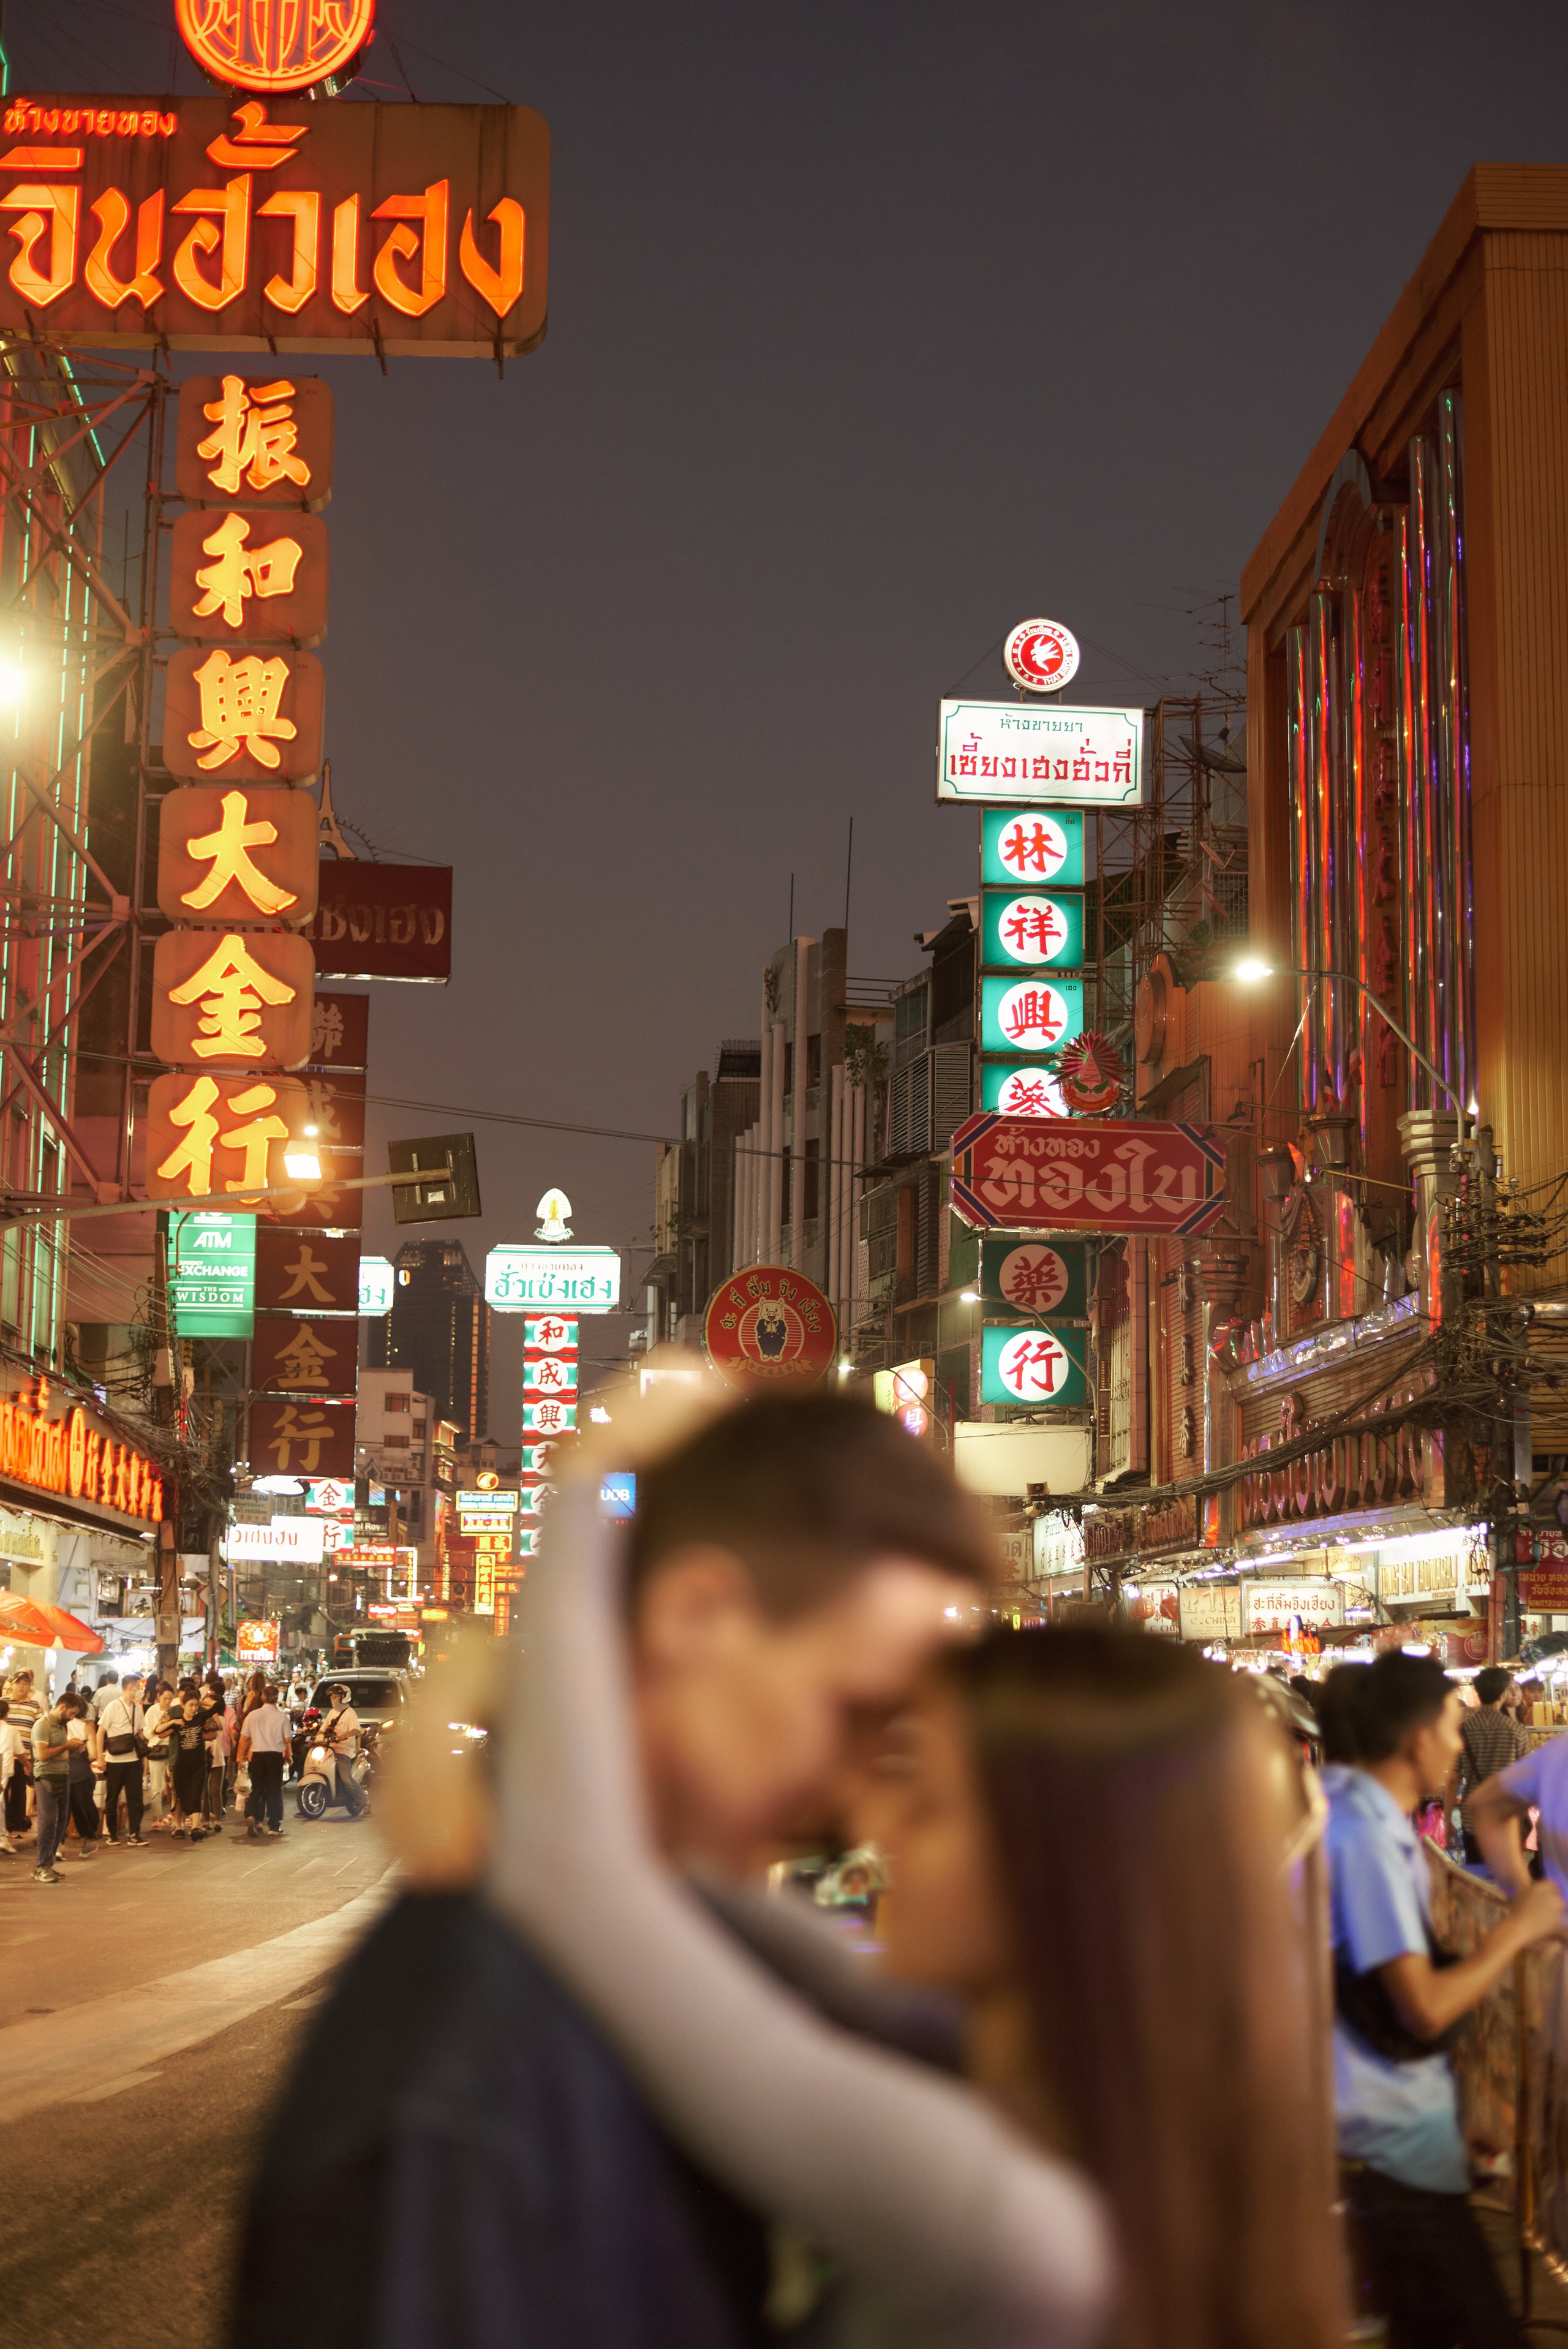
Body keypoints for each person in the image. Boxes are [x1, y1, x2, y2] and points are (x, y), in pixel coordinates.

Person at [232, 1392, 1105, 2349]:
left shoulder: (681, 1955)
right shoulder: (477, 2022)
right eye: (855, 1713)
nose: (865, 1797)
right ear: (697, 1613)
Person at [495, 1472, 1344, 2349]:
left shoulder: (988, 2207)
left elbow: (577, 1879)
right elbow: (764, 1948)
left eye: (926, 1800)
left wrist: (597, 1480)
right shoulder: (1099, 2118)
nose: (874, 1824)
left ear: (1049, 1861)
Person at [1327, 1650, 1563, 2347]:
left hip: (1405, 2146)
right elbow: (1420, 2005)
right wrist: (1515, 1929)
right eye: (1449, 1726)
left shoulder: (1363, 1823)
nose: (1459, 1744)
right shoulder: (1364, 1837)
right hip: (1391, 2148)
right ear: (1412, 1738)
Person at [30, 1687, 80, 1882]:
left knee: (61, 1824)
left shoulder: (62, 1725)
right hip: (45, 1778)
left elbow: (63, 1754)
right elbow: (42, 1755)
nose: (73, 1717)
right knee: (48, 1821)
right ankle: (41, 1865)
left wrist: (74, 1749)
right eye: (72, 1713)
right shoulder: (42, 1725)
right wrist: (67, 1745)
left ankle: (47, 1865)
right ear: (62, 1707)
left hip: (63, 1776)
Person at [96, 1672, 148, 1847]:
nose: (139, 1690)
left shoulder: (136, 1708)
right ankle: (112, 1833)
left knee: (136, 1798)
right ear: (131, 1687)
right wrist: (100, 1758)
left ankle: (134, 1832)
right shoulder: (113, 1706)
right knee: (112, 1798)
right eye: (138, 1686)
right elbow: (101, 1732)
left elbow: (140, 1733)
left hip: (133, 1760)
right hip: (114, 1760)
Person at [239, 1684, 288, 1841]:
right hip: (275, 1756)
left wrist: (241, 1758)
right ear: (277, 1698)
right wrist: (289, 1755)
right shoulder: (282, 1717)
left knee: (257, 1789)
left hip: (257, 1756)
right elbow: (287, 1740)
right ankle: (274, 1826)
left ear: (262, 1698)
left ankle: (253, 1815)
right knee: (274, 1790)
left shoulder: (252, 1716)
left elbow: (245, 1739)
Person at [166, 1693, 211, 1840]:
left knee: (197, 1794)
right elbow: (158, 1732)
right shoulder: (173, 1713)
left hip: (197, 1761)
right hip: (176, 1758)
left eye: (196, 1704)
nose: (194, 1708)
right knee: (179, 1795)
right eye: (190, 1704)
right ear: (182, 1703)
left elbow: (215, 1730)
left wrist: (197, 1733)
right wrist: (174, 1726)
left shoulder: (200, 1714)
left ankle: (195, 1827)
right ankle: (179, 1827)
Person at [320, 1682, 364, 1816]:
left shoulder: (350, 1713)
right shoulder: (332, 1713)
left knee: (346, 1779)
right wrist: (317, 1737)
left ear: (344, 1697)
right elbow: (323, 1729)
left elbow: (356, 1729)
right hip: (330, 1749)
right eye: (331, 1696)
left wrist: (344, 1736)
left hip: (344, 1750)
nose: (332, 1698)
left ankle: (364, 1801)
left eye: (335, 1696)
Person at [64, 1700, 102, 1857]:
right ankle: (85, 1844)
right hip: (81, 1772)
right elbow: (93, 1755)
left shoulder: (60, 1726)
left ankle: (58, 1847)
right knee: (83, 1809)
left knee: (63, 1810)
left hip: (62, 1771)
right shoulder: (87, 1728)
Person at [4, 1668, 37, 1840]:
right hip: (4, 1755)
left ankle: (15, 1824)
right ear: (13, 1685)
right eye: (19, 1683)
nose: (22, 1686)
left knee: (18, 1790)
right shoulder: (3, 1702)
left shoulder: (34, 1706)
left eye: (25, 1683)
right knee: (3, 1790)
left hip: (23, 1756)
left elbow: (38, 1731)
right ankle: (5, 1824)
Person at [144, 1681, 175, 1827]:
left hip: (173, 1749)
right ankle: (156, 1817)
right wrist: (160, 1733)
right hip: (157, 1750)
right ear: (159, 1696)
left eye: (170, 1698)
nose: (168, 1702)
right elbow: (147, 1732)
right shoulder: (152, 1711)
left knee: (175, 1785)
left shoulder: (175, 1710)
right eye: (165, 1698)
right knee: (157, 1787)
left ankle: (174, 1813)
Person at [0, 1697, 21, 1856]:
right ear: (7, 1714)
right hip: (4, 1767)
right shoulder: (12, 1730)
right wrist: (28, 1766)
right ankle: (2, 1838)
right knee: (1, 1803)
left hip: (4, 1766)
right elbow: (20, 1752)